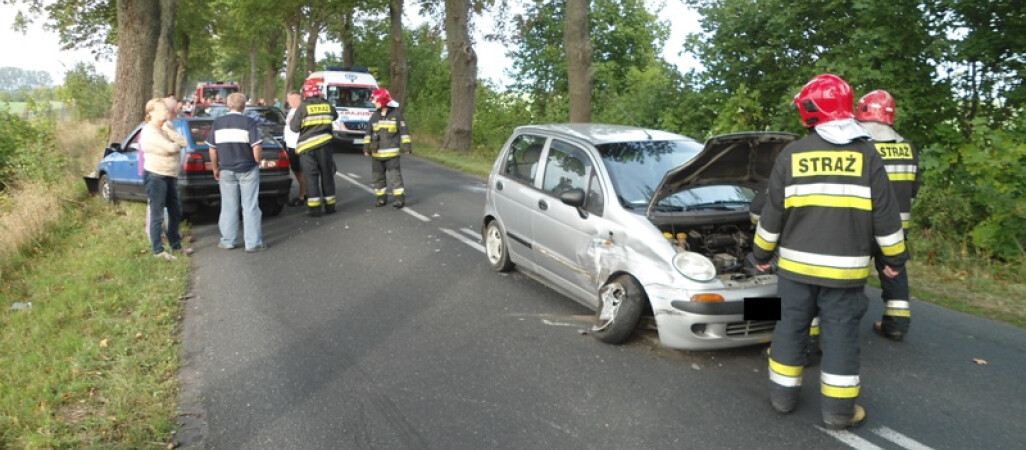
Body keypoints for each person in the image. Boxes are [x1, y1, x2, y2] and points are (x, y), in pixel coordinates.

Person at [752, 74, 907, 430]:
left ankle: (782, 398)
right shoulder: (867, 155)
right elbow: (886, 218)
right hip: (844, 276)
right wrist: (894, 262)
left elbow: (772, 216)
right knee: (840, 338)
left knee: (789, 328)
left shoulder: (792, 155)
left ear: (813, 111)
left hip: (794, 272)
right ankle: (839, 413)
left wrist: (760, 256)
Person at [857, 90, 920, 341]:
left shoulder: (861, 146)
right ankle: (896, 325)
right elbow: (913, 190)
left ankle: (841, 325)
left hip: (865, 225)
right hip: (897, 228)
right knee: (894, 271)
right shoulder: (908, 148)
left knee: (851, 276)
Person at [208, 92, 267, 252]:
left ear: (228, 105)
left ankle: (228, 240)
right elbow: (257, 147)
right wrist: (257, 160)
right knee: (250, 206)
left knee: (228, 206)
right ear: (244, 106)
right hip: (247, 168)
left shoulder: (218, 123)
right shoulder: (249, 122)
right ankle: (252, 243)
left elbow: (212, 149)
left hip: (226, 169)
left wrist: (215, 168)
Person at [140, 98, 192, 260]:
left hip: (171, 175)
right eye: (161, 110)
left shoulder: (167, 126)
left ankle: (176, 245)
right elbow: (171, 147)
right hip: (156, 175)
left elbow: (184, 142)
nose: (165, 112)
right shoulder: (148, 131)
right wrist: (175, 145)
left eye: (165, 109)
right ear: (150, 113)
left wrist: (169, 132)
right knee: (157, 214)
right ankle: (158, 251)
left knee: (176, 211)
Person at [289, 82, 339, 217]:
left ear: (305, 93)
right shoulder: (326, 104)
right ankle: (330, 206)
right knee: (327, 175)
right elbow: (335, 116)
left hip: (307, 148)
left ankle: (315, 209)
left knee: (311, 177)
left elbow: (294, 128)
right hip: (325, 146)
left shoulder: (303, 107)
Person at [363, 88, 412, 208]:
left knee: (395, 177)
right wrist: (366, 148)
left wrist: (407, 147)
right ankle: (381, 198)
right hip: (377, 155)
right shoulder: (374, 116)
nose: (374, 103)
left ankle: (399, 199)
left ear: (382, 101)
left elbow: (404, 132)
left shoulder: (396, 116)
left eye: (375, 100)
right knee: (378, 178)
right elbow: (368, 133)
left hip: (392, 155)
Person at [282, 90, 308, 207]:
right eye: (289, 99)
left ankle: (303, 196)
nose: (290, 102)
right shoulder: (292, 110)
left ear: (300, 99)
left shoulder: (302, 110)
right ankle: (305, 192)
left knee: (300, 171)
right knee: (296, 170)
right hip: (291, 145)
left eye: (293, 99)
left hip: (298, 145)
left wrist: (299, 144)